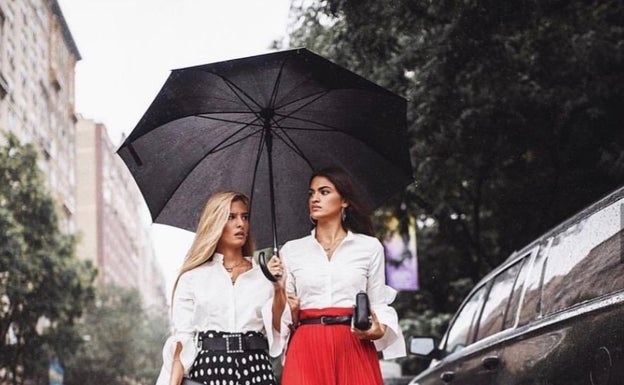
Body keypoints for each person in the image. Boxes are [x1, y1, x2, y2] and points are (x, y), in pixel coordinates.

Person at [279, 167, 406, 385]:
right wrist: (278, 291)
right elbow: (284, 316)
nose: (315, 198)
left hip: (353, 341)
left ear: (344, 200)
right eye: (311, 193)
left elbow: (379, 304)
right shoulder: (291, 250)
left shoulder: (369, 247)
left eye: (324, 192)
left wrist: (378, 329)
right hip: (306, 344)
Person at [155, 191, 287, 385]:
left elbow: (278, 330)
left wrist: (278, 289)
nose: (240, 224)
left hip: (256, 370)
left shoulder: (264, 276)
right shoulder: (192, 278)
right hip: (210, 370)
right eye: (231, 217)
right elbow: (183, 340)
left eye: (245, 217)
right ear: (215, 223)